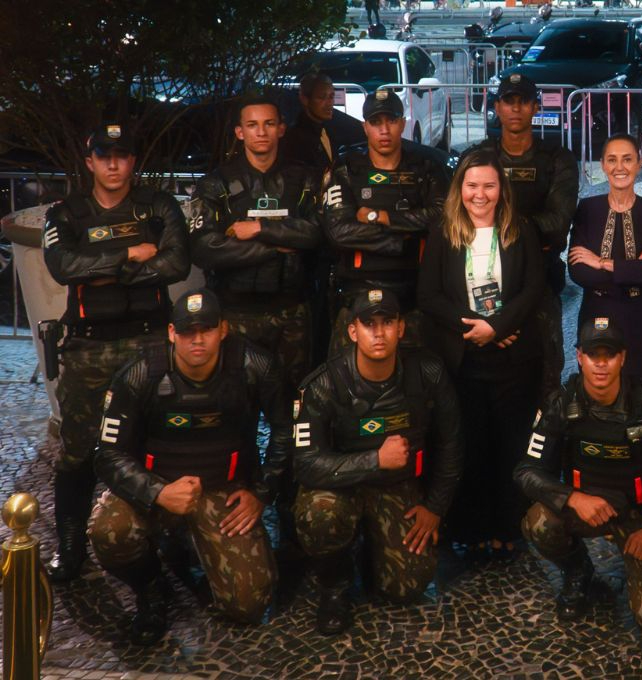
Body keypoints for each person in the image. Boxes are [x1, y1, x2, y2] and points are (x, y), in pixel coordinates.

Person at [88, 288, 289, 644]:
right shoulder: (139, 375)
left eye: (207, 330)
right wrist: (157, 492)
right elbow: (107, 452)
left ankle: (189, 543)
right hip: (156, 487)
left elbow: (287, 432)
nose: (197, 340)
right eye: (186, 332)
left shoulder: (255, 367)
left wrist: (261, 493)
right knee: (109, 532)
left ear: (223, 330)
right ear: (171, 333)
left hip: (224, 491)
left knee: (248, 604)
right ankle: (151, 587)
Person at [42, 121, 190, 583]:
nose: (112, 164)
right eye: (103, 155)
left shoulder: (158, 206)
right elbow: (64, 267)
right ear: (90, 162)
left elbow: (177, 261)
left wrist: (105, 271)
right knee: (79, 450)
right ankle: (70, 545)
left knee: (157, 441)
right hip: (89, 345)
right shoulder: (66, 213)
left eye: (121, 155)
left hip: (149, 340)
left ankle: (171, 539)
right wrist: (130, 257)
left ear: (132, 161)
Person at [292, 288, 463, 634]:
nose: (379, 332)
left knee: (408, 587)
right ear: (353, 331)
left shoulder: (428, 371)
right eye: (369, 324)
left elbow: (452, 443)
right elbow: (305, 464)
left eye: (387, 322)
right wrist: (374, 460)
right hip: (339, 489)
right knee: (319, 516)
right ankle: (334, 588)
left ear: (401, 328)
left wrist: (435, 507)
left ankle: (372, 553)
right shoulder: (323, 385)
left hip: (396, 487)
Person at [514, 319, 642, 632]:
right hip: (585, 509)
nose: (601, 365)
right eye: (593, 355)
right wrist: (572, 498)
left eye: (609, 355)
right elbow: (525, 471)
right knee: (538, 521)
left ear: (622, 358)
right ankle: (577, 572)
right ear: (579, 357)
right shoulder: (559, 405)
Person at [417, 150, 545, 559]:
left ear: (501, 189)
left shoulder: (520, 230)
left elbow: (533, 288)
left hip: (513, 357)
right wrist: (477, 327)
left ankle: (510, 526)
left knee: (511, 444)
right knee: (470, 443)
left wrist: (500, 326)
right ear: (460, 188)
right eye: (472, 185)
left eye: (489, 185)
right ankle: (471, 528)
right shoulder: (444, 231)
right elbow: (428, 296)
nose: (480, 194)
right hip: (464, 356)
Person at [191, 95, 323, 392]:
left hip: (293, 311)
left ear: (281, 129)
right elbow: (203, 248)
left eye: (268, 124)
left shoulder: (305, 179)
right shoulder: (216, 184)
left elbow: (316, 233)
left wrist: (259, 228)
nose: (261, 132)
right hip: (235, 312)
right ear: (240, 132)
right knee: (238, 403)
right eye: (252, 125)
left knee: (294, 403)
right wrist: (276, 245)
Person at [465, 73, 578, 401]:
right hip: (481, 284)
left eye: (523, 101)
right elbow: (458, 222)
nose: (516, 109)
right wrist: (529, 228)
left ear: (535, 107)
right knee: (483, 383)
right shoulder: (477, 157)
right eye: (508, 101)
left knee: (545, 384)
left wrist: (492, 224)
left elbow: (558, 224)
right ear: (497, 108)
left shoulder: (556, 159)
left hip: (538, 285)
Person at [322, 88, 451, 355]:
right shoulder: (346, 168)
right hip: (358, 293)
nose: (384, 130)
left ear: (402, 123)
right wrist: (402, 239)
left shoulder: (427, 167)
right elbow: (339, 231)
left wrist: (378, 217)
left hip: (415, 295)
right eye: (376, 122)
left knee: (419, 381)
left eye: (391, 121)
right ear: (365, 126)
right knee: (348, 385)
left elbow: (443, 217)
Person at [568, 134, 642, 386]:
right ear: (602, 164)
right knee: (597, 392)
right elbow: (579, 271)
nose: (619, 167)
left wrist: (602, 262)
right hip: (596, 312)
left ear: (639, 163)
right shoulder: (587, 209)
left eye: (627, 159)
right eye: (612, 160)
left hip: (640, 316)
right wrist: (634, 268)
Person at [280, 72, 338, 175]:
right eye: (322, 97)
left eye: (331, 96)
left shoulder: (329, 129)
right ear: (304, 99)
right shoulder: (294, 138)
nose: (329, 103)